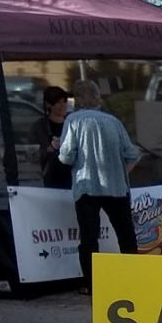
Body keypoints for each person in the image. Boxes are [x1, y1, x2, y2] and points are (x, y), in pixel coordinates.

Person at [57, 81, 141, 288]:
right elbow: (132, 153)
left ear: (76, 99)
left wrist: (57, 150)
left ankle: (92, 285)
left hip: (86, 187)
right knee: (126, 235)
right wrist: (122, 172)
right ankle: (135, 279)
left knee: (89, 238)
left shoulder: (73, 121)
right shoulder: (113, 121)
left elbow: (66, 156)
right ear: (97, 97)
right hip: (116, 186)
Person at [31, 85, 72, 189]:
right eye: (58, 102)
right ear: (49, 105)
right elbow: (32, 156)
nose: (63, 105)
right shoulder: (39, 127)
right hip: (50, 179)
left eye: (65, 101)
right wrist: (51, 148)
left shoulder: (73, 123)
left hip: (73, 176)